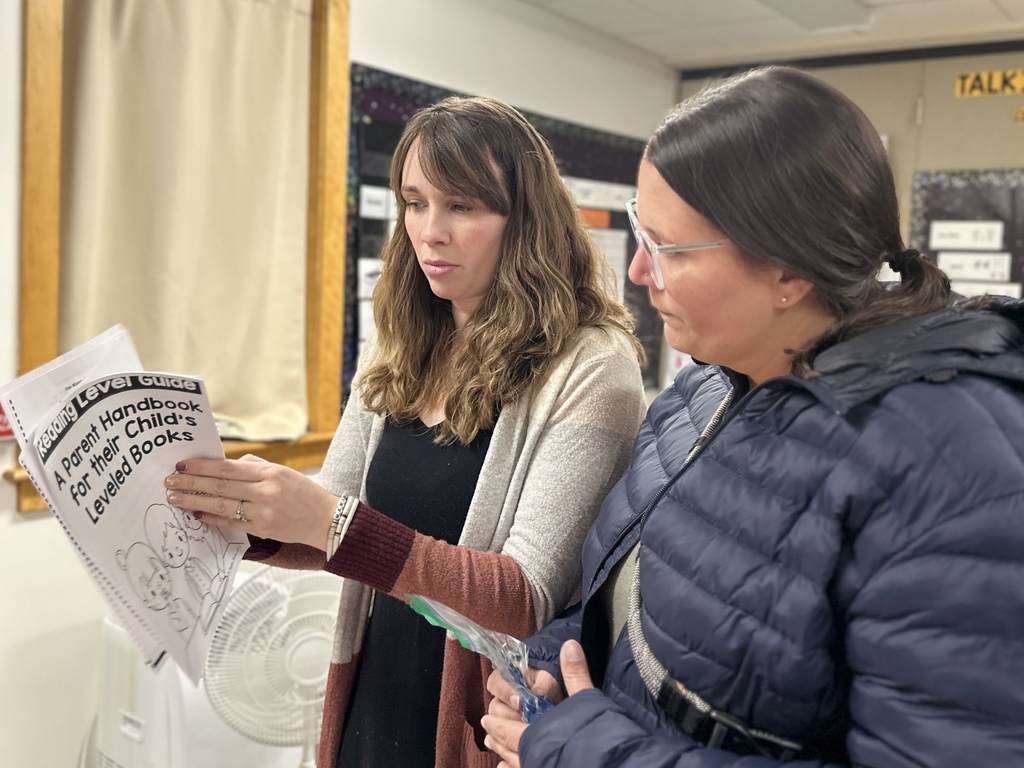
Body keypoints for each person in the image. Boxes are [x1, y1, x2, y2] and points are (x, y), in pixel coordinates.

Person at [481, 65, 1024, 767]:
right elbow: (637, 601)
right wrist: (553, 664)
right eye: (642, 238)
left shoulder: (949, 464)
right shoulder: (703, 391)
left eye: (669, 249)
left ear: (790, 272)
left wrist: (585, 750)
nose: (641, 275)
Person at [163, 95, 647, 767]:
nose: (430, 232)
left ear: (526, 222)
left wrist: (328, 522)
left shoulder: (593, 367)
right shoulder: (401, 341)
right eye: (415, 203)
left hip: (478, 725)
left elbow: (524, 598)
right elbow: (330, 523)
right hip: (374, 690)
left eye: (462, 207)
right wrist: (239, 515)